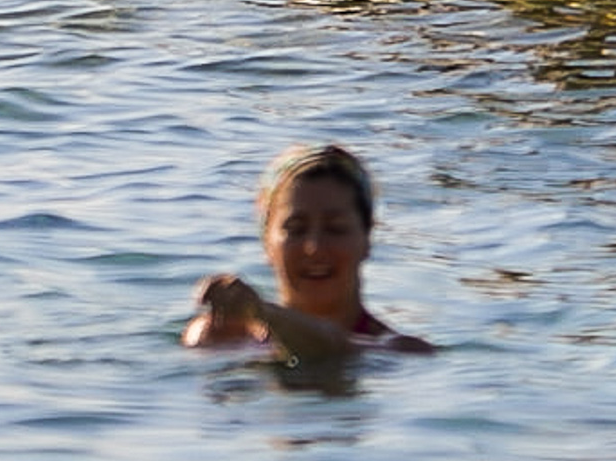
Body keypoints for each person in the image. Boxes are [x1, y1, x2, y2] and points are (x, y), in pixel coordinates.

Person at [185, 142, 432, 359]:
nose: (314, 248)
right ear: (266, 243)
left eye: (335, 229)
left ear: (367, 238)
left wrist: (260, 311)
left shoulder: (404, 353)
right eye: (296, 229)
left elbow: (334, 347)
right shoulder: (218, 338)